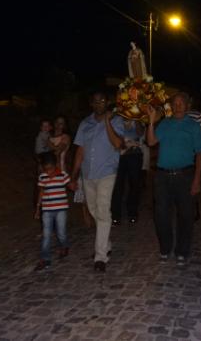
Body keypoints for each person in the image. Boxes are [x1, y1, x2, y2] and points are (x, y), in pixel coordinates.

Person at [146, 92, 201, 267]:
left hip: (185, 175)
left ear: (187, 106)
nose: (178, 105)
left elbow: (200, 154)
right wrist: (151, 121)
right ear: (171, 106)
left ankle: (182, 251)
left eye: (182, 102)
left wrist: (197, 179)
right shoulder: (165, 123)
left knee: (186, 216)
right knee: (161, 215)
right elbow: (150, 142)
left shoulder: (193, 126)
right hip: (163, 176)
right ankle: (165, 248)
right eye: (175, 102)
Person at [68, 91, 125, 273]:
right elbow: (80, 151)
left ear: (107, 102)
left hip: (107, 173)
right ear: (91, 104)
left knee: (102, 208)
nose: (99, 103)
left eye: (102, 100)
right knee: (93, 210)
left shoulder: (116, 120)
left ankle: (100, 256)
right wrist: (74, 175)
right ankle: (106, 243)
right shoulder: (85, 123)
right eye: (95, 101)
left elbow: (118, 144)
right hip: (87, 174)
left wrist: (107, 122)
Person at [34, 151, 71, 271]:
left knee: (61, 232)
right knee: (46, 235)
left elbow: (71, 185)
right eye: (46, 169)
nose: (48, 172)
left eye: (50, 168)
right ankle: (46, 259)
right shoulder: (42, 177)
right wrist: (38, 208)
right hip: (47, 210)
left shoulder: (63, 175)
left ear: (55, 165)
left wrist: (75, 184)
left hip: (61, 209)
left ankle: (65, 246)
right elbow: (41, 192)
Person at [111, 119, 144, 225]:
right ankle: (116, 215)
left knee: (134, 185)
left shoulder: (137, 115)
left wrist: (136, 119)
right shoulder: (116, 117)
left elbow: (140, 133)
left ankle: (132, 213)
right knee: (117, 185)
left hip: (134, 154)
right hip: (118, 154)